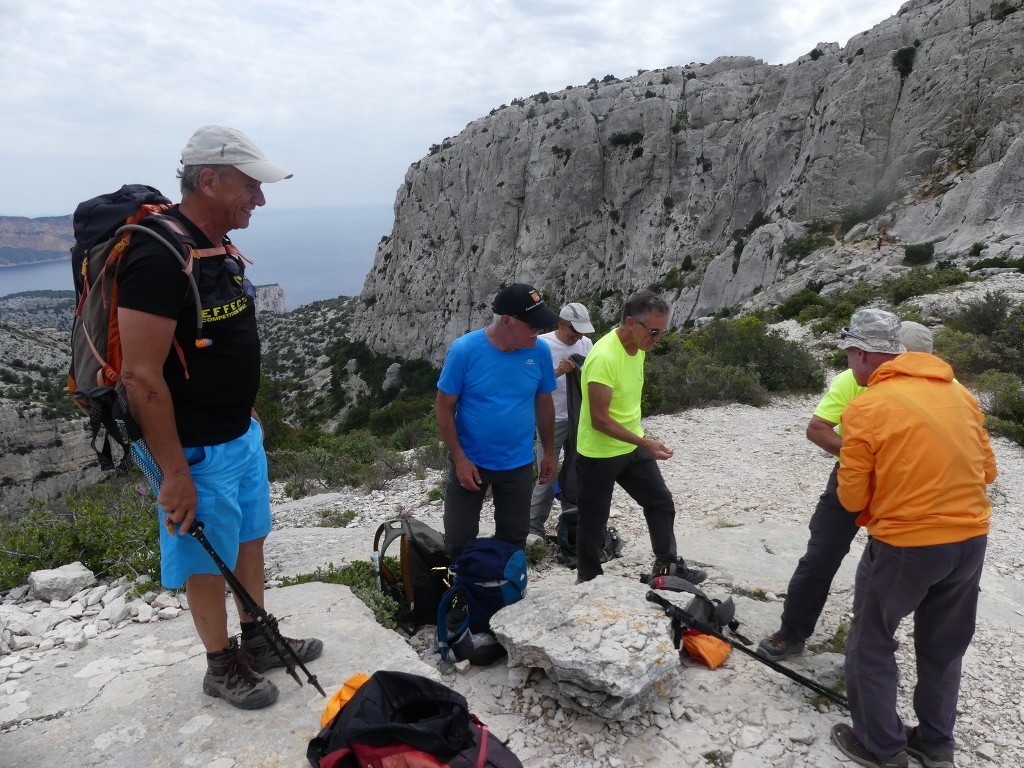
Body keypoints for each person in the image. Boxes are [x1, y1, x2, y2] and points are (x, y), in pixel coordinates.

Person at [117, 125, 322, 710]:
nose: (259, 199)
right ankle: (218, 663)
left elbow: (216, 336)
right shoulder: (157, 256)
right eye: (250, 186)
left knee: (250, 538)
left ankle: (256, 637)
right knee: (206, 558)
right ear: (208, 180)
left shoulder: (215, 245)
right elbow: (140, 376)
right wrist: (174, 472)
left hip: (239, 434)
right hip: (195, 449)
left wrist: (244, 406)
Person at [829, 309, 996, 768]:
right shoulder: (961, 396)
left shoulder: (865, 406)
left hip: (906, 545)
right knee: (944, 647)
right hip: (971, 540)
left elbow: (850, 497)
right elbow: (989, 470)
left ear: (862, 355)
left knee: (872, 640)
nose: (849, 365)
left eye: (848, 355)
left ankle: (882, 747)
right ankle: (937, 744)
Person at [757, 318, 936, 661]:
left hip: (905, 488)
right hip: (854, 473)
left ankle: (868, 651)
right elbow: (817, 428)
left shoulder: (943, 388)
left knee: (887, 568)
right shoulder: (853, 380)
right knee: (821, 555)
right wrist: (863, 457)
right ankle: (792, 633)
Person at [574, 291, 706, 584]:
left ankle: (667, 566)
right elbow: (599, 419)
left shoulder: (639, 345)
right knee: (593, 523)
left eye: (663, 331)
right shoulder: (605, 357)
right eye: (654, 331)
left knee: (660, 501)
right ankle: (587, 580)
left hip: (631, 445)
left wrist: (640, 440)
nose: (657, 339)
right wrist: (644, 443)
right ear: (631, 322)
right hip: (598, 453)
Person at [436, 283, 558, 560]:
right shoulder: (465, 350)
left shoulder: (539, 352)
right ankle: (462, 594)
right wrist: (459, 458)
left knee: (515, 538)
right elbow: (444, 407)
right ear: (506, 321)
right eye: (532, 326)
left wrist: (548, 452)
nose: (538, 332)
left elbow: (544, 401)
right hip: (471, 462)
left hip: (517, 463)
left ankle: (508, 593)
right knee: (458, 537)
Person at [528, 302, 595, 537]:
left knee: (576, 472)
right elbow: (528, 382)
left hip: (580, 418)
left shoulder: (586, 344)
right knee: (547, 476)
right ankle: (533, 529)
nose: (578, 336)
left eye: (582, 331)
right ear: (561, 323)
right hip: (551, 420)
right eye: (574, 330)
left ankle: (571, 525)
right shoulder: (541, 344)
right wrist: (556, 372)